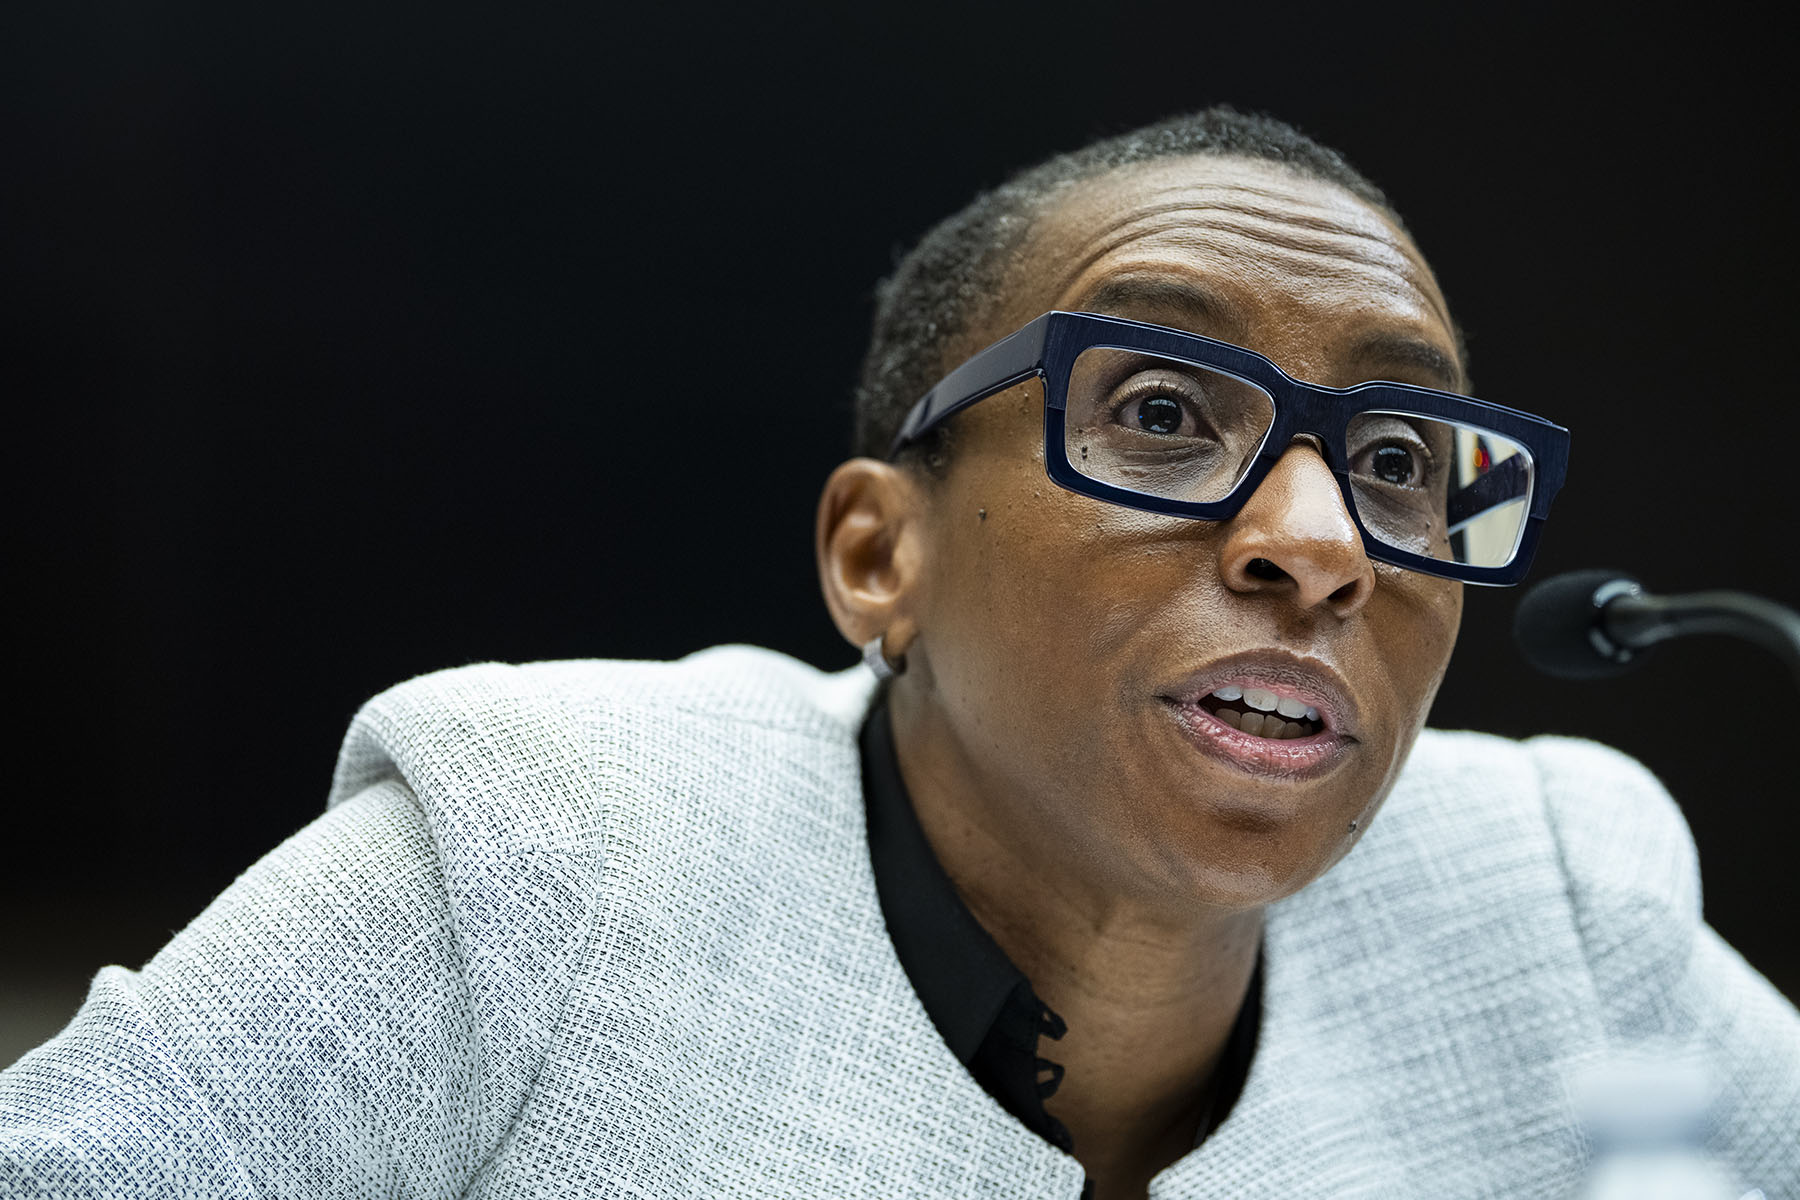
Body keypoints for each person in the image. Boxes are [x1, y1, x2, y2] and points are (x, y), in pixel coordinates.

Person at [2, 108, 1794, 1200]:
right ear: (881, 556)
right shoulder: (549, 861)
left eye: (1401, 463)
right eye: (1165, 411)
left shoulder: (1555, 921)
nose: (1321, 543)